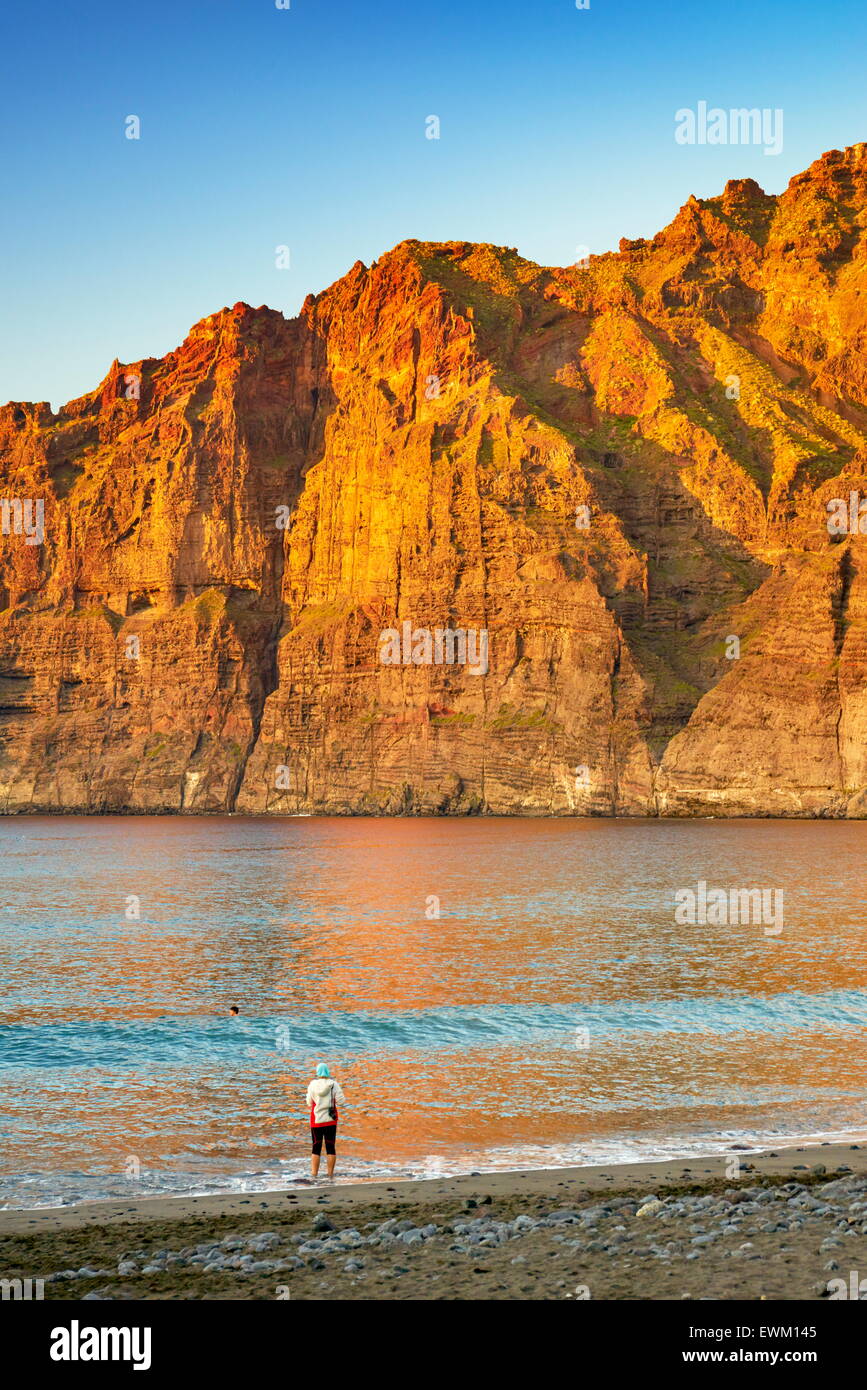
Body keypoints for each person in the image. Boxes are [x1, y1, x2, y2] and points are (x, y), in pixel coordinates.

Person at [305, 1063, 345, 1180]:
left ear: (317, 1072)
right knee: (330, 1147)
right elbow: (341, 1101)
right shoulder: (333, 1084)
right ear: (327, 1072)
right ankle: (330, 1175)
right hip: (330, 1120)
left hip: (316, 1121)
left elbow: (308, 1102)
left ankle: (314, 1175)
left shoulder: (312, 1085)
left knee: (316, 1147)